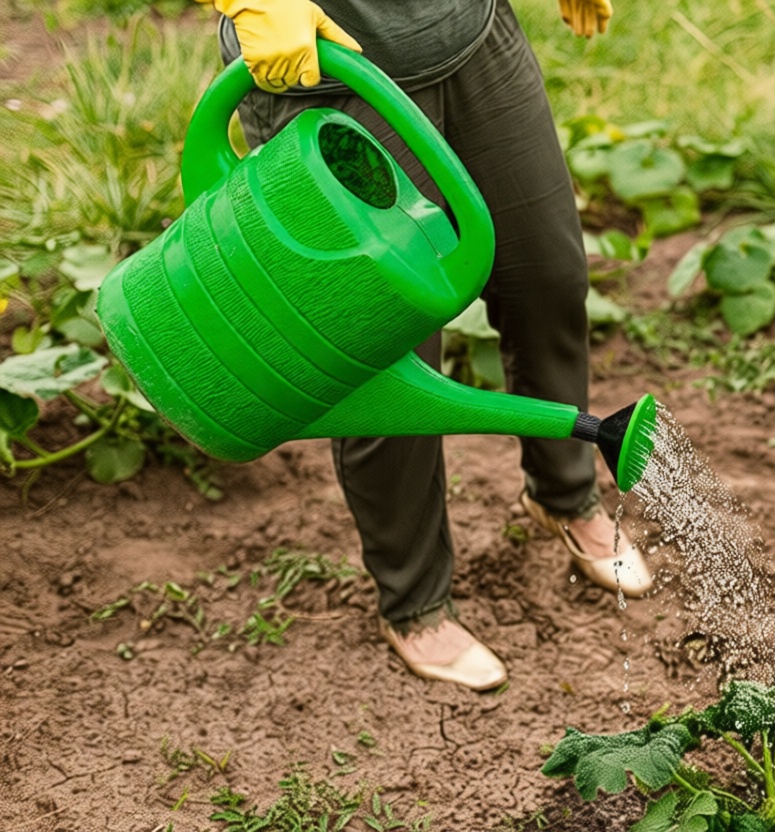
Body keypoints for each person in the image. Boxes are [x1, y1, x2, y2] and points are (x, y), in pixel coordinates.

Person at [193, 0, 652, 690]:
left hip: (469, 30)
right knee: (389, 346)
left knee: (547, 276)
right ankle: (415, 601)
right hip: (327, 61)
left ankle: (563, 494)